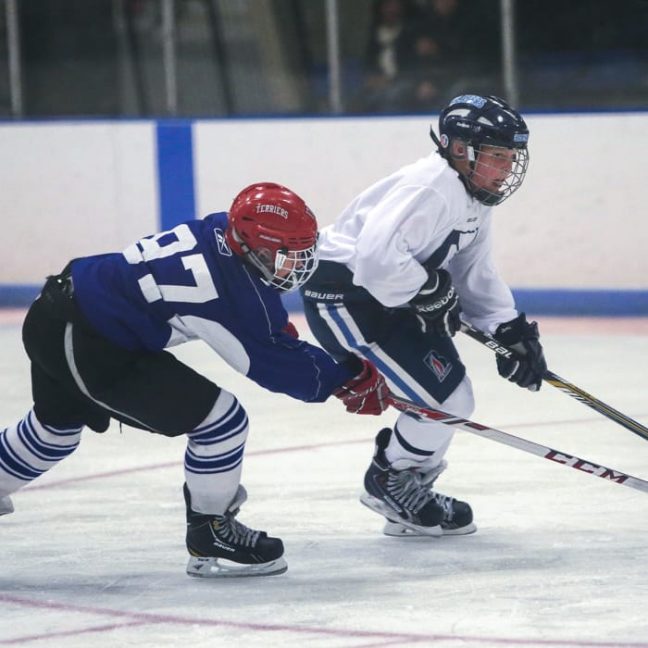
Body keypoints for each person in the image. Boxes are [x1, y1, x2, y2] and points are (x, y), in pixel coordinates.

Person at [0, 182, 388, 577]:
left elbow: (267, 330)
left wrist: (339, 375)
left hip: (64, 315)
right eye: (286, 256)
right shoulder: (229, 285)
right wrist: (344, 380)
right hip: (87, 338)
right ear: (254, 245)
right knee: (221, 422)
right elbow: (268, 360)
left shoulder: (226, 233)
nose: (297, 266)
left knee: (52, 433)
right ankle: (210, 532)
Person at [301, 94, 547, 538]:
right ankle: (388, 482)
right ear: (459, 150)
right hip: (344, 298)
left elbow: (473, 271)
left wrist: (508, 329)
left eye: (511, 158)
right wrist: (427, 289)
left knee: (453, 399)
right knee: (440, 403)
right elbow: (375, 259)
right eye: (497, 156)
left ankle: (406, 486)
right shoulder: (432, 187)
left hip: (389, 298)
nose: (507, 168)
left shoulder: (474, 197)